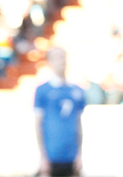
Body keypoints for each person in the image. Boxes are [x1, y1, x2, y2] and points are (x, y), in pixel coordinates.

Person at [35, 47, 86, 177]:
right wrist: (43, 157)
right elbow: (38, 125)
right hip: (52, 156)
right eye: (57, 57)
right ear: (49, 61)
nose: (61, 61)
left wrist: (79, 154)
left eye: (63, 57)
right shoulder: (42, 91)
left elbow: (78, 124)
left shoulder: (76, 91)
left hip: (71, 155)